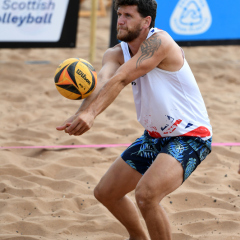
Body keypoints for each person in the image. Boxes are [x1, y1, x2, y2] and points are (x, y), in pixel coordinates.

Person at [56, 0, 212, 239]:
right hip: (155, 136)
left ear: (146, 21)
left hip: (191, 136)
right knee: (105, 193)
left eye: (128, 15)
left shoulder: (160, 43)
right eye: (119, 14)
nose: (120, 20)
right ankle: (137, 236)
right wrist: (81, 113)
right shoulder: (115, 53)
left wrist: (92, 114)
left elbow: (121, 78)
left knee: (146, 196)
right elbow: (103, 82)